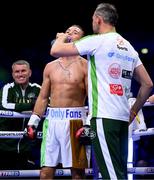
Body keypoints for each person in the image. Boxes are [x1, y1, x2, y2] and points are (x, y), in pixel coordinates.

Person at [50, 3, 153, 179]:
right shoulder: (129, 46)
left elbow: (55, 50)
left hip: (104, 117)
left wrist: (62, 36)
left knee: (112, 176)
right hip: (122, 120)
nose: (92, 23)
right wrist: (134, 110)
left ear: (98, 19)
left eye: (92, 20)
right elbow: (148, 84)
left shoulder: (96, 40)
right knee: (118, 172)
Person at [27, 25, 88, 179]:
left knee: (78, 173)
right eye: (67, 31)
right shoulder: (50, 67)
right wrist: (33, 121)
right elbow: (42, 97)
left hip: (76, 122)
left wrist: (89, 124)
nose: (70, 34)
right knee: (46, 171)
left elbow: (94, 98)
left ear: (83, 40)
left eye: (75, 32)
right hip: (52, 121)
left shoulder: (86, 66)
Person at [0, 60, 41, 170]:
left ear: (30, 73)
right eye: (17, 72)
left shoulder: (37, 88)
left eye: (23, 71)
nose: (20, 74)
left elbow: (48, 103)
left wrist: (21, 106)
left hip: (27, 147)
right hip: (5, 146)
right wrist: (32, 105)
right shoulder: (7, 89)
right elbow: (5, 105)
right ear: (13, 74)